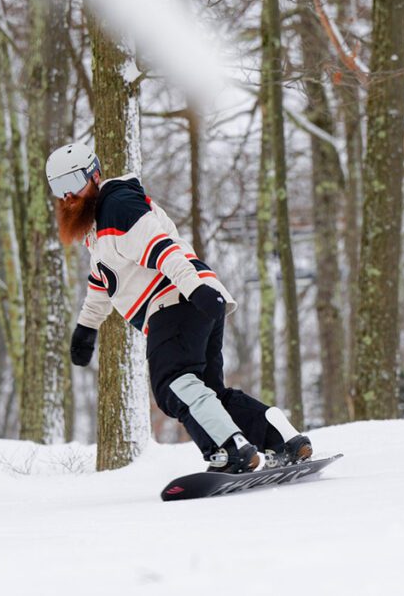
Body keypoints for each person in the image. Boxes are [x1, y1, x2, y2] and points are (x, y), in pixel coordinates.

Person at [46, 142, 312, 473]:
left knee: (172, 381)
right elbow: (104, 281)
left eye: (74, 182)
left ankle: (228, 449)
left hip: (176, 301)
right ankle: (283, 439)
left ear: (95, 176)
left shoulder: (117, 206)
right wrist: (86, 328)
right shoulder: (99, 229)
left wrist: (195, 288)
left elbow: (162, 249)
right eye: (59, 188)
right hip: (192, 301)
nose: (68, 196)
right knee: (208, 393)